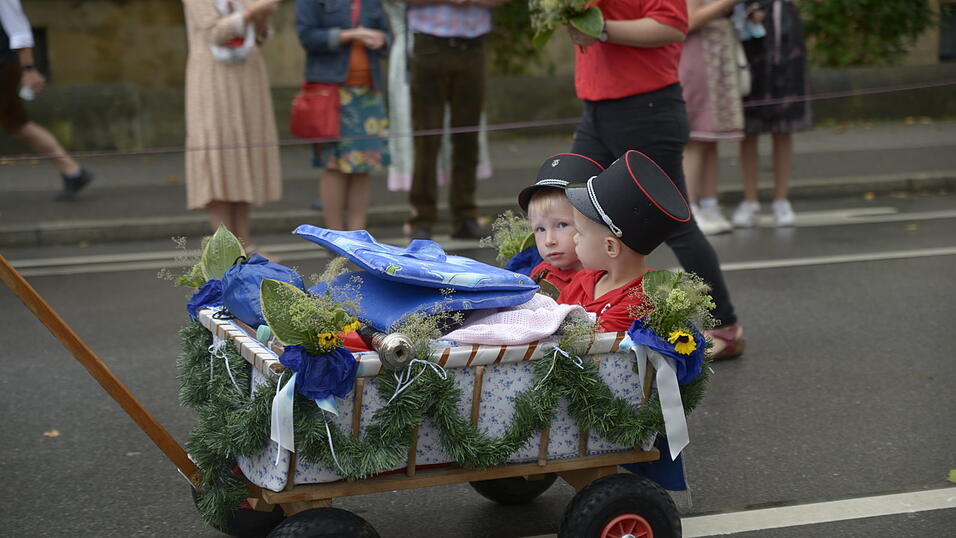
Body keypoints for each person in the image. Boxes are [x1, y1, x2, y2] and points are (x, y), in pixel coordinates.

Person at [565, 0, 744, 359]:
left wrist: (600, 28)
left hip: (645, 108)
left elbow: (673, 25)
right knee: (568, 202)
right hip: (598, 106)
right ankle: (570, 313)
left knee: (677, 227)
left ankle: (725, 326)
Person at [402, 0, 508, 241]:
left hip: (473, 45)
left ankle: (465, 216)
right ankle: (421, 218)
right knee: (427, 137)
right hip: (430, 43)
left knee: (468, 138)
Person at [182, 0, 282, 255]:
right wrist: (253, 12)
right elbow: (215, 32)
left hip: (247, 77)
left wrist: (262, 18)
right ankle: (225, 249)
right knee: (218, 153)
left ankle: (245, 244)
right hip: (212, 79)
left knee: (243, 155)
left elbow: (260, 37)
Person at [558, 150, 691, 333]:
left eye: (580, 233)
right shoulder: (582, 280)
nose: (574, 238)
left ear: (610, 247)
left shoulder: (640, 301)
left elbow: (578, 343)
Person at [296, 0, 391, 231]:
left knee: (364, 165)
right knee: (333, 165)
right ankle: (335, 235)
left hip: (368, 91)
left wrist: (382, 40)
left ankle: (357, 236)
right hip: (331, 92)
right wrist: (350, 35)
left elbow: (388, 37)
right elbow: (307, 37)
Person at [0, 0, 92, 201]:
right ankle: (73, 172)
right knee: (17, 124)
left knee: (17, 123)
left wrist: (29, 70)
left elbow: (18, 27)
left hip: (3, 64)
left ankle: (73, 171)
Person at [732, 0, 812, 228]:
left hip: (786, 38)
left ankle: (781, 200)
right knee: (749, 128)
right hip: (751, 35)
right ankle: (750, 200)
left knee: (784, 127)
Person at [680, 0, 744, 235]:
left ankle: (709, 203)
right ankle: (689, 207)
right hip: (697, 57)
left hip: (713, 53)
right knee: (697, 136)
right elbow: (689, 20)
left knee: (710, 137)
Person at [517, 153, 605, 295]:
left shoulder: (601, 284)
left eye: (562, 225)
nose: (549, 241)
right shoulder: (541, 272)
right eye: (540, 229)